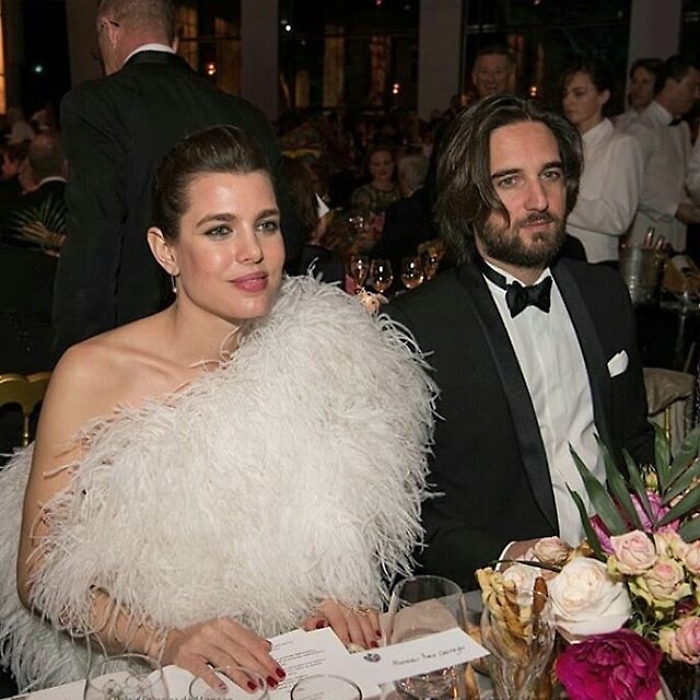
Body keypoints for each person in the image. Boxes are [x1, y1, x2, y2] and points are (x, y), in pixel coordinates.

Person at [0, 125, 435, 692]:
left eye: (266, 225)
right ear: (166, 250)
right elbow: (40, 577)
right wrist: (165, 641)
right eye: (219, 230)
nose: (252, 251)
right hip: (147, 671)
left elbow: (320, 525)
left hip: (288, 666)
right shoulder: (93, 373)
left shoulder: (318, 351)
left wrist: (330, 599)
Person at [385, 94, 654, 590]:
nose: (539, 200)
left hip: (618, 577)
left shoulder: (605, 295)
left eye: (550, 174)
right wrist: (507, 558)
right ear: (467, 198)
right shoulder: (417, 326)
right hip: (496, 598)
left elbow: (635, 440)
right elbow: (403, 509)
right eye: (509, 181)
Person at [52, 0, 302, 357]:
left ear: (108, 30)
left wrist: (75, 355)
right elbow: (289, 234)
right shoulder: (246, 114)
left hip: (135, 344)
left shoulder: (97, 106)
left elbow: (93, 240)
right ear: (177, 40)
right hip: (242, 344)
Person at [562, 59, 643, 264]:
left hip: (595, 261)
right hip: (560, 257)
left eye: (578, 93)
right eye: (565, 94)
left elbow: (618, 218)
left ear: (603, 96)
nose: (568, 101)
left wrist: (560, 199)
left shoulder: (622, 145)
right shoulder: (564, 144)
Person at [621, 55, 700, 252]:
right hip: (643, 237)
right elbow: (627, 183)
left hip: (675, 238)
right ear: (671, 85)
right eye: (692, 87)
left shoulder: (682, 128)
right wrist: (674, 208)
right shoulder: (641, 129)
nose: (697, 94)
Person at [350, 142, 401, 215]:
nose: (382, 168)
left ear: (393, 164)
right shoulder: (363, 194)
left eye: (386, 163)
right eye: (377, 165)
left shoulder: (401, 190)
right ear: (370, 167)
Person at [614, 58, 664, 131]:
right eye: (634, 81)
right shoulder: (618, 123)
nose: (637, 88)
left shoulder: (665, 125)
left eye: (645, 82)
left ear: (658, 87)